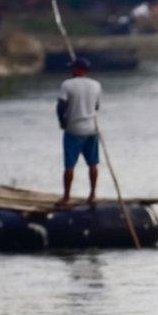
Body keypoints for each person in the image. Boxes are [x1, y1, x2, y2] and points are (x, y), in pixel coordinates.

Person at [55, 57, 101, 207]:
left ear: (76, 70)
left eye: (72, 68)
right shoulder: (96, 85)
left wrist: (62, 122)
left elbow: (60, 107)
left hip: (73, 130)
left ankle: (66, 197)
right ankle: (93, 194)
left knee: (69, 166)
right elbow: (96, 107)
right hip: (91, 130)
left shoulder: (67, 85)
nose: (70, 70)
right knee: (93, 164)